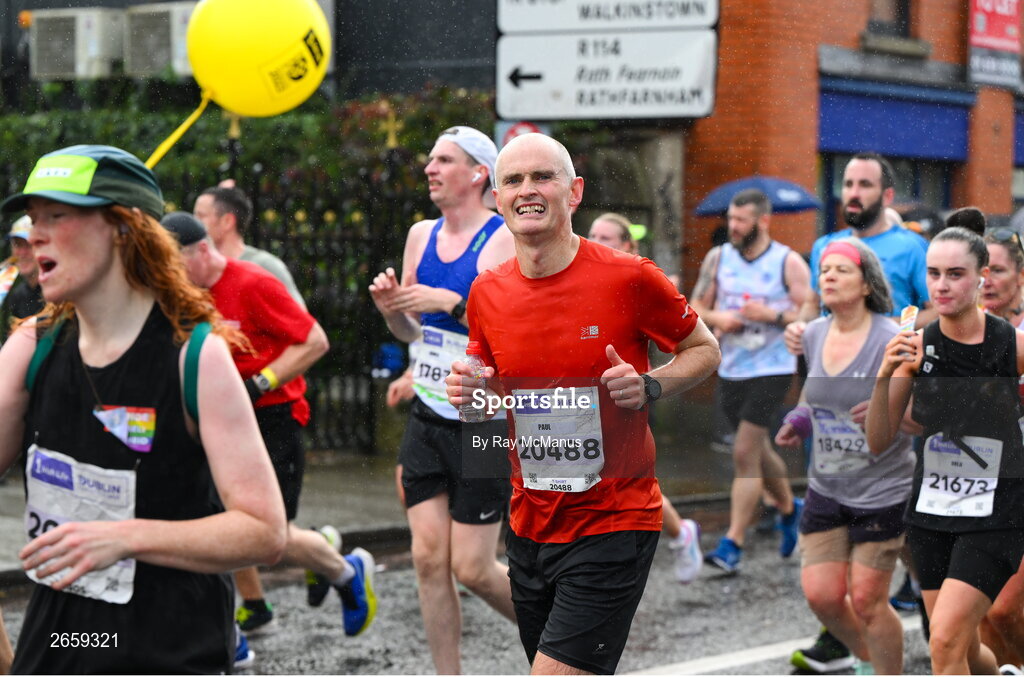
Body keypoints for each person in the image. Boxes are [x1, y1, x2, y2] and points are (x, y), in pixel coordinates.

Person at [0, 144, 287, 672]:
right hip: (61, 644)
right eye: (33, 217)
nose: (34, 232)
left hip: (171, 646)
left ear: (124, 227)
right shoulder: (29, 349)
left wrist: (124, 538)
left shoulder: (196, 358)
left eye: (56, 216)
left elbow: (264, 531)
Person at [446, 133, 720, 674]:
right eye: (514, 181)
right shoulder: (487, 292)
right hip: (528, 524)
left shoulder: (631, 277)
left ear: (574, 192)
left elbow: (704, 349)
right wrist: (469, 396)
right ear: (497, 198)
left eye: (542, 177)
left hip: (613, 521)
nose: (528, 190)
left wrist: (651, 385)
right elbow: (486, 404)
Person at [161, 212, 377, 639]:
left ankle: (342, 569)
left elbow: (315, 340)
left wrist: (259, 383)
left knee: (267, 534)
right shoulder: (181, 292)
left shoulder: (253, 282)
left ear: (202, 250)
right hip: (216, 416)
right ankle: (251, 610)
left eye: (176, 262)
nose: (173, 273)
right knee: (217, 516)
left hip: (272, 418)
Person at [369, 125, 517, 674]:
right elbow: (412, 333)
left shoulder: (501, 238)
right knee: (428, 559)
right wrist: (392, 309)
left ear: (479, 172)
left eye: (444, 159)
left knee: (474, 569)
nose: (430, 168)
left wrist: (450, 301)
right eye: (430, 160)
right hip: (429, 415)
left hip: (482, 421)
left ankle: (560, 649)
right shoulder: (419, 235)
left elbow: (505, 335)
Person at [866, 226, 1024, 674]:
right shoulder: (917, 345)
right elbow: (878, 440)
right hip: (933, 512)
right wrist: (886, 373)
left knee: (946, 643)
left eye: (956, 274)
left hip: (997, 512)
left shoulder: (1009, 346)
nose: (942, 284)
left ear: (981, 277)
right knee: (965, 648)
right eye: (934, 274)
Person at [774, 238, 914, 675]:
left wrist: (885, 409)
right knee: (822, 596)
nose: (828, 277)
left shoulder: (892, 339)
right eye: (823, 271)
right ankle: (871, 657)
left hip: (882, 489)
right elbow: (816, 398)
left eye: (841, 270)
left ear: (867, 284)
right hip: (827, 486)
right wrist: (799, 421)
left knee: (869, 601)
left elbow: (915, 415)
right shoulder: (813, 334)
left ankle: (885, 670)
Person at [689, 188, 811, 573]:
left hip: (772, 367)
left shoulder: (787, 262)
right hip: (732, 366)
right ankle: (791, 510)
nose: (733, 227)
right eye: (731, 219)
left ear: (763, 221)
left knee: (744, 452)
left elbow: (808, 313)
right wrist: (719, 319)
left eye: (741, 221)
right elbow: (694, 307)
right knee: (757, 450)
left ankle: (732, 542)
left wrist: (770, 315)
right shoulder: (718, 257)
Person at [587, 212, 702, 584]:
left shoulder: (636, 280)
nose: (599, 242)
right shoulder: (578, 280)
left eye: (609, 237)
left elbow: (696, 345)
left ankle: (678, 533)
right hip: (580, 401)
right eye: (593, 235)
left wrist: (648, 385)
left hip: (627, 399)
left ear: (628, 245)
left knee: (629, 483)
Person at [786, 152, 931, 354]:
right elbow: (812, 304)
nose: (853, 193)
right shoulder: (825, 246)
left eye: (865, 185)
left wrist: (882, 328)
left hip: (890, 368)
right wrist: (799, 327)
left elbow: (936, 312)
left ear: (887, 196)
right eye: (847, 184)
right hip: (831, 364)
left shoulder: (913, 247)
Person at [979, 227, 1024, 671]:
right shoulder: (958, 331)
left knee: (1003, 609)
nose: (988, 280)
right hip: (974, 484)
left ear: (1022, 276)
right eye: (983, 271)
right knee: (982, 620)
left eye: (1000, 270)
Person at [193, 185, 305, 307]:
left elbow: (299, 321)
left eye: (201, 216)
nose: (193, 222)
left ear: (227, 222)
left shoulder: (265, 265)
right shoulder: (199, 268)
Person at [0, 215, 43, 336]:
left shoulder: (58, 292)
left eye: (28, 245)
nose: (22, 253)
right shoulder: (17, 295)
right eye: (17, 245)